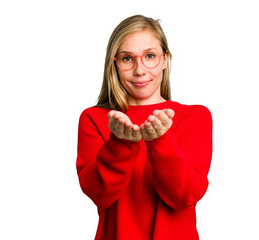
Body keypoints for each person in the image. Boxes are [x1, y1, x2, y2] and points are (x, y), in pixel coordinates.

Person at [76, 15, 213, 240]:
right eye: (127, 58)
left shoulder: (196, 117)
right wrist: (119, 144)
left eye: (150, 56)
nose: (140, 70)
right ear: (114, 63)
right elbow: (98, 194)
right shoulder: (95, 118)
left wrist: (160, 141)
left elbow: (184, 196)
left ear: (165, 59)